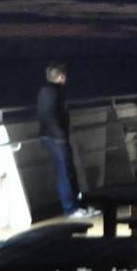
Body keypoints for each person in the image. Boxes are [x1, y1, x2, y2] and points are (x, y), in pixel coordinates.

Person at [37, 61, 89, 217]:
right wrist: (59, 135)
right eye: (64, 75)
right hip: (54, 139)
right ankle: (70, 208)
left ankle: (78, 205)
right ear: (60, 76)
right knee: (65, 172)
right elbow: (48, 115)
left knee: (69, 171)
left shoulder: (54, 91)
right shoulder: (50, 92)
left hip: (57, 137)